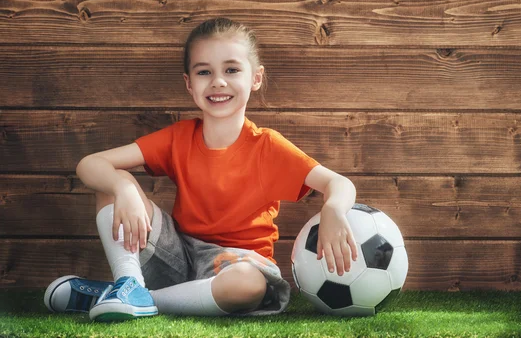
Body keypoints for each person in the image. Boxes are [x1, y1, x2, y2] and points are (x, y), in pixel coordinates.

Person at [43, 17, 358, 321]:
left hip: (235, 265)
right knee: (113, 179)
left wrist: (332, 208)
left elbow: (338, 183)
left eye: (231, 69)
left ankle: (134, 297)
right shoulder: (179, 137)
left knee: (250, 284)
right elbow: (91, 164)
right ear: (189, 84)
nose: (218, 81)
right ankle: (129, 283)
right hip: (176, 254)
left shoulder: (267, 147)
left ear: (256, 77)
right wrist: (122, 187)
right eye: (204, 71)